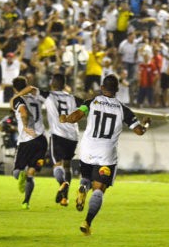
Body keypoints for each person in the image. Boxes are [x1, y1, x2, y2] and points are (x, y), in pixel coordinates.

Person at [60, 74, 151, 236]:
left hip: (87, 150)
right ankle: (87, 222)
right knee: (99, 190)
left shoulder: (91, 103)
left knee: (87, 177)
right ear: (117, 90)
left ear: (102, 88)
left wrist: (66, 118)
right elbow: (139, 131)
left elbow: (75, 117)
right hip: (106, 154)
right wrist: (147, 123)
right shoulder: (123, 109)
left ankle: (83, 187)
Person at [42, 73, 81, 206]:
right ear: (65, 85)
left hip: (58, 135)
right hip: (73, 136)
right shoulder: (73, 98)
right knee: (67, 165)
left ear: (52, 84)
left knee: (57, 164)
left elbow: (31, 90)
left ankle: (62, 184)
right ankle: (65, 198)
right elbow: (86, 106)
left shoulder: (48, 95)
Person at [9, 76, 47, 209]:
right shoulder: (36, 98)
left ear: (14, 89)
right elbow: (32, 89)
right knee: (32, 174)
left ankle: (21, 173)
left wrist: (25, 126)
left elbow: (24, 112)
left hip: (26, 140)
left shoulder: (18, 100)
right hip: (41, 139)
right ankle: (26, 202)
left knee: (16, 174)